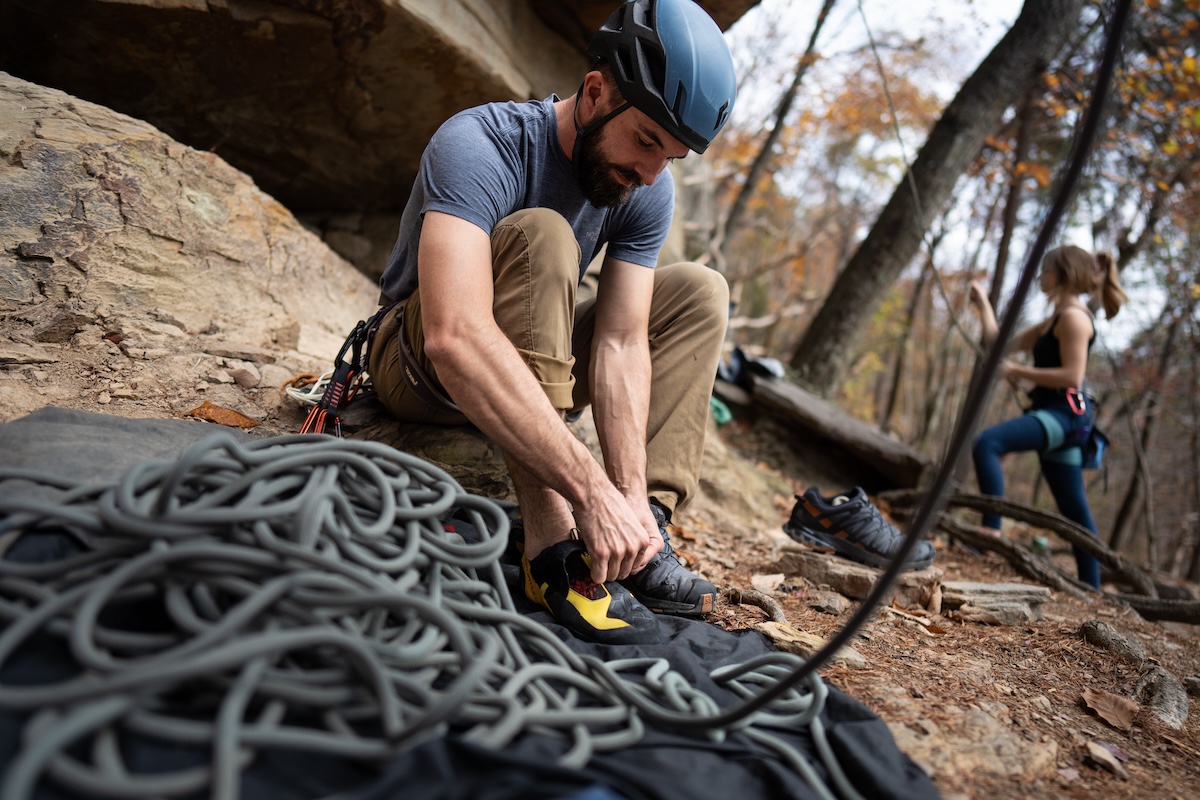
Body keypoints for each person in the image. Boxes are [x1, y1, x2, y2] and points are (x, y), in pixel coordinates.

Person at [367, 0, 738, 645]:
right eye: (646, 141)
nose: (651, 173)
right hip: (418, 368)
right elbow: (454, 335)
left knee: (699, 292)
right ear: (595, 93)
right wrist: (585, 493)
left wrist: (623, 495)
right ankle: (549, 548)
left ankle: (643, 536)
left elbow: (622, 342)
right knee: (545, 235)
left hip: (528, 351)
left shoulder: (645, 185)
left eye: (671, 157)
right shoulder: (481, 142)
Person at [968, 245, 1128, 587]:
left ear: (1063, 273)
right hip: (1055, 417)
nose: (1042, 276)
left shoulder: (1074, 318)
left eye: (1046, 269)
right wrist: (983, 305)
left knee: (987, 443)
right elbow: (999, 344)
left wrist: (1018, 370)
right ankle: (1092, 587)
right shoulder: (1055, 318)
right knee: (1074, 509)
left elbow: (1073, 376)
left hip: (1063, 416)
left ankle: (989, 539)